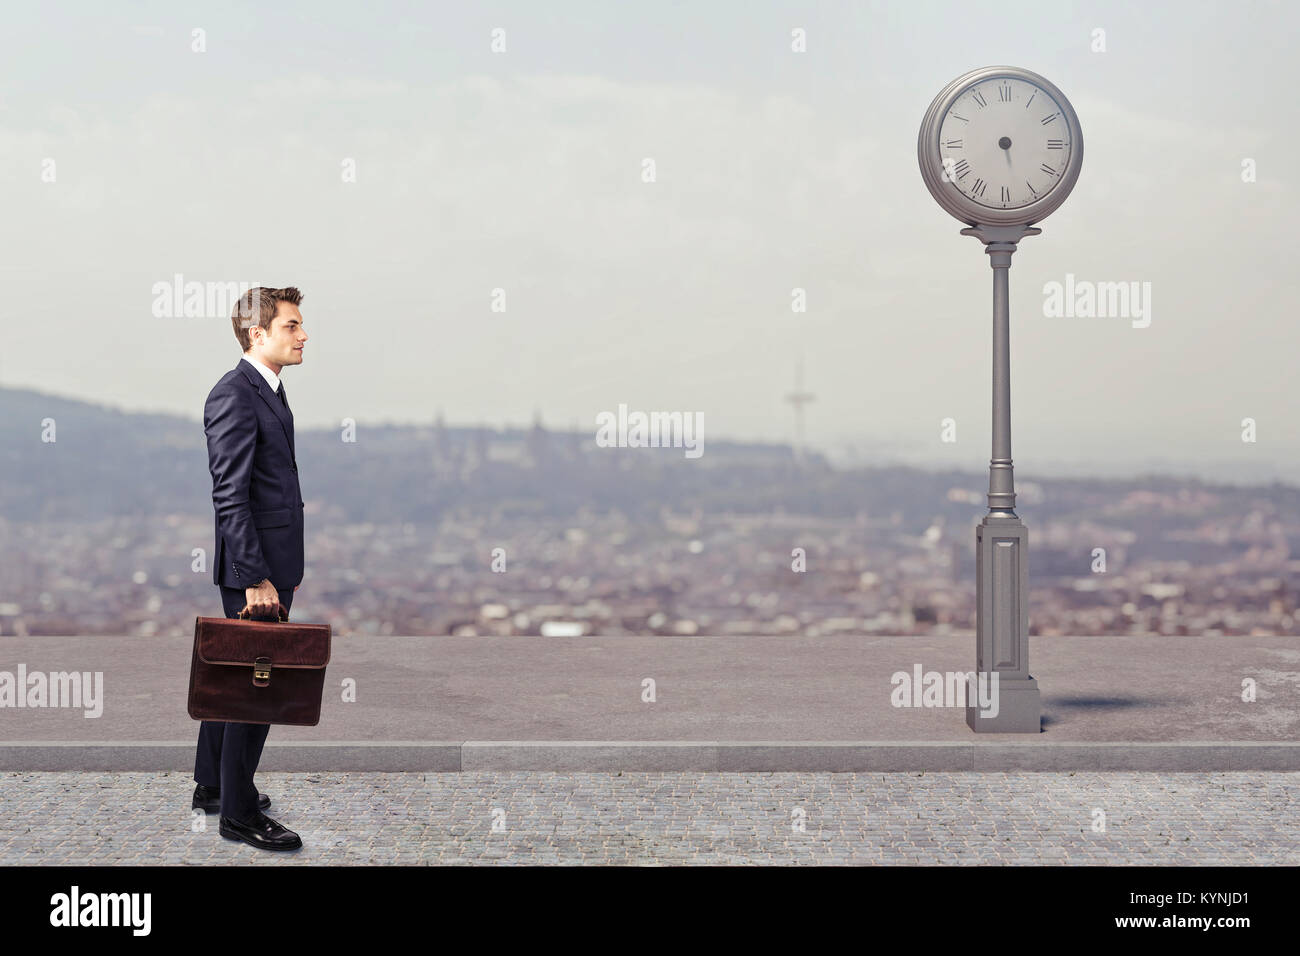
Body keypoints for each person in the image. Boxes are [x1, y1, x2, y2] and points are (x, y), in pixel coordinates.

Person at [192, 286, 308, 851]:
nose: (303, 334)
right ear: (256, 334)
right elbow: (230, 497)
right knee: (253, 691)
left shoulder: (268, 390)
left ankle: (214, 785)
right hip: (255, 572)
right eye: (292, 326)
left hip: (264, 563)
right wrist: (255, 578)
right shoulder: (235, 395)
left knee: (234, 675)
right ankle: (238, 815)